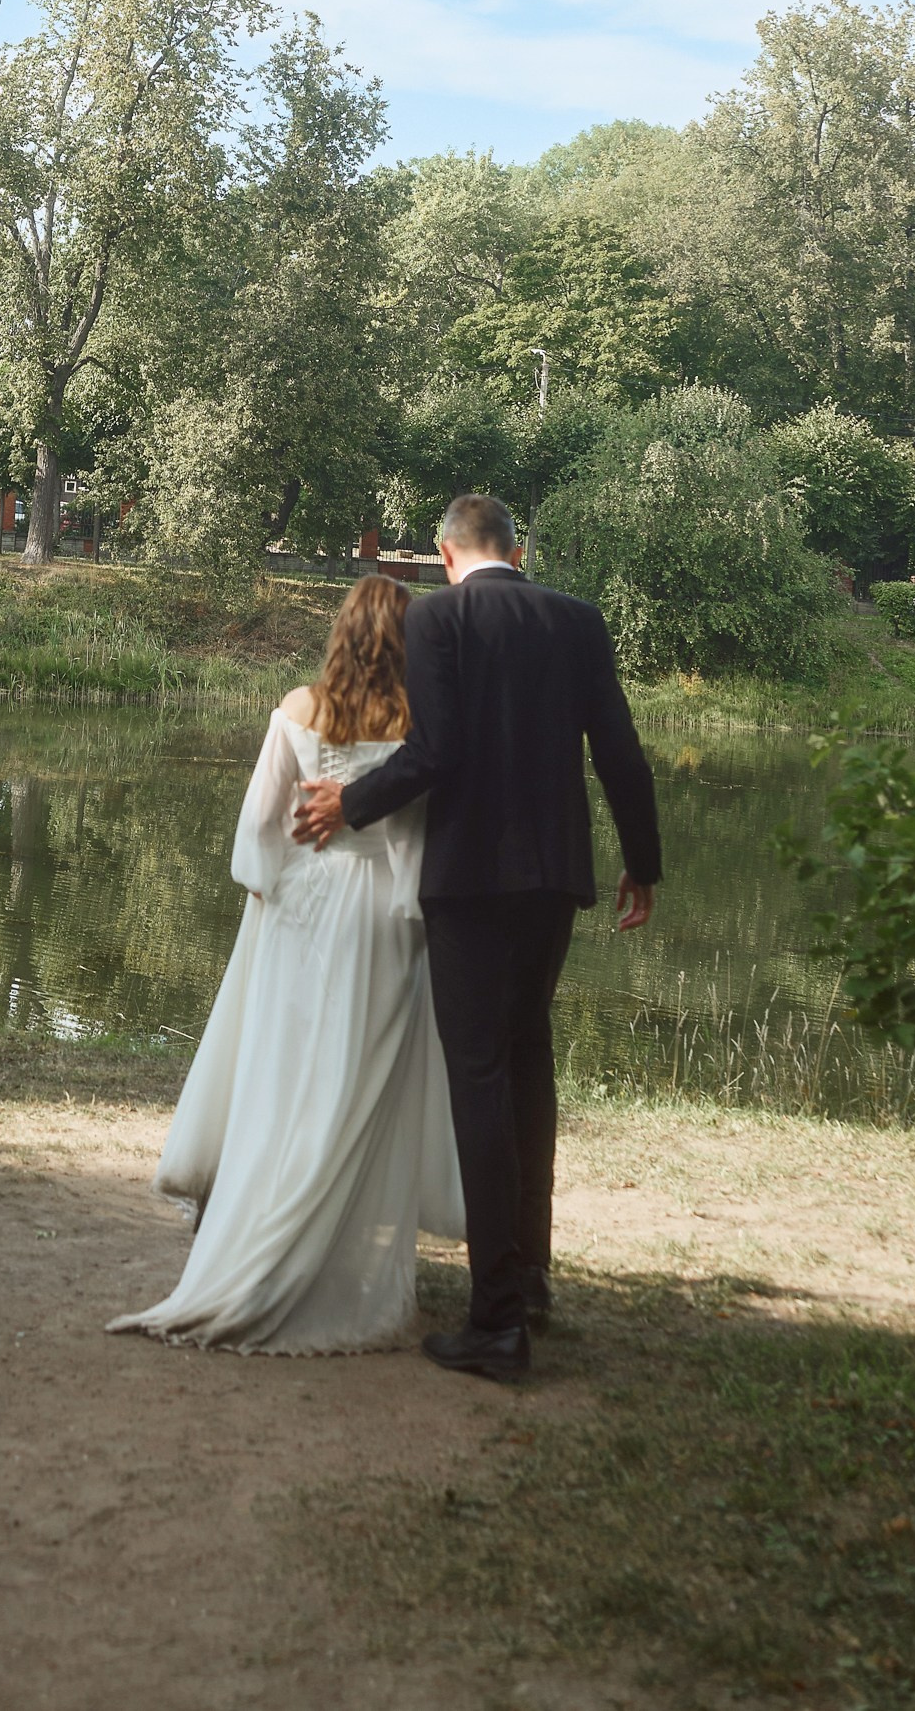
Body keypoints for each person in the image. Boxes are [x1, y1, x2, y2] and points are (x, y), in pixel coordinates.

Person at [292, 493, 661, 1384]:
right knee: (530, 1058)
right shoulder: (578, 619)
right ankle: (530, 1275)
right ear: (516, 550)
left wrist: (353, 802)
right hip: (553, 879)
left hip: (470, 882)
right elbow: (620, 748)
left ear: (449, 555)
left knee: (481, 1076)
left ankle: (496, 1319)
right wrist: (642, 862)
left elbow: (439, 752)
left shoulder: (442, 620)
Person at [108, 574, 463, 1354]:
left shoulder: (298, 709)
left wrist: (267, 888)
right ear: (407, 642)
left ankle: (264, 1214)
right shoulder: (419, 722)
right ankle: (332, 1231)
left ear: (341, 632)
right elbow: (422, 833)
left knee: (286, 1070)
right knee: (359, 1081)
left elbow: (260, 822)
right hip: (382, 916)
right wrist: (412, 901)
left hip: (302, 908)